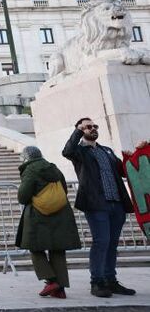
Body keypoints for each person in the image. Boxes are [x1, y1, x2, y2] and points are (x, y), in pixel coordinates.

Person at [62, 117, 136, 298]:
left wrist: (134, 155)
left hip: (117, 204)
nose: (93, 128)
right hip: (96, 204)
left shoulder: (106, 151)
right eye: (88, 127)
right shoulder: (79, 151)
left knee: (112, 243)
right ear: (81, 130)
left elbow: (124, 170)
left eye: (94, 126)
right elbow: (67, 151)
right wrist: (78, 131)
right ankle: (97, 282)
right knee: (101, 241)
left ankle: (111, 280)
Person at [15, 146, 81, 299]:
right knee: (57, 250)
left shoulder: (30, 170)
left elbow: (23, 197)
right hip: (61, 213)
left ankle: (51, 281)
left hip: (38, 216)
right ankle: (60, 289)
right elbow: (64, 190)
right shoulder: (53, 168)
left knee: (34, 247)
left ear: (26, 157)